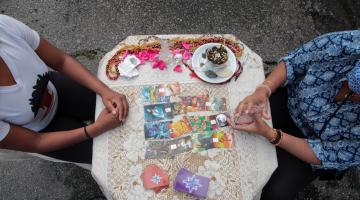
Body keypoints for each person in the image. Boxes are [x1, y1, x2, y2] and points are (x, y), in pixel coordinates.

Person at [228, 30, 360, 199]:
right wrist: (264, 89)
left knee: (275, 194)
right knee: (234, 117)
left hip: (313, 146)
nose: (349, 91)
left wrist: (272, 135)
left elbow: (325, 153)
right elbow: (295, 62)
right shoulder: (351, 42)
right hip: (289, 98)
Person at [0, 15, 129, 164]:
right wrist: (95, 129)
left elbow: (61, 61)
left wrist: (104, 90)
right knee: (114, 159)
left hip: (54, 88)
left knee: (124, 110)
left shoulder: (3, 26)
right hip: (41, 132)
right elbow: (36, 142)